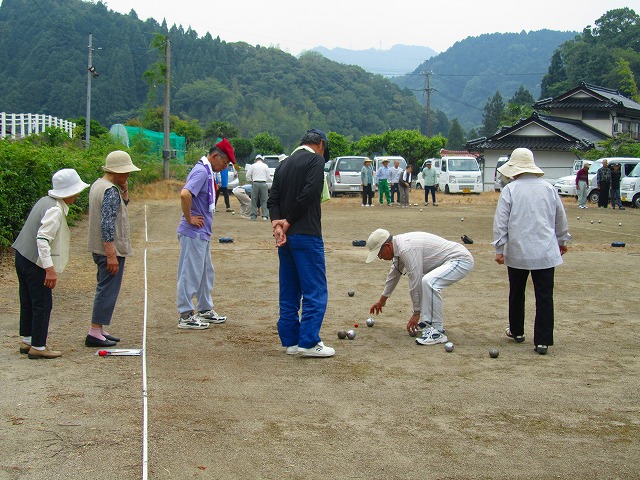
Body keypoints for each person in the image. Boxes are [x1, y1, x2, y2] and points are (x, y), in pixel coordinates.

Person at [493, 148, 571, 355]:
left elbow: (501, 222)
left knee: (516, 292)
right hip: (544, 250)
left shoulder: (510, 190)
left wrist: (499, 249)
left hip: (518, 251)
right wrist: (562, 240)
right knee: (544, 296)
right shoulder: (548, 188)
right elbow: (560, 218)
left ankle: (517, 331)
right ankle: (543, 340)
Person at [267, 129, 335, 357]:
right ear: (321, 144)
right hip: (306, 233)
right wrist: (288, 221)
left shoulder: (283, 164)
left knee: (289, 290)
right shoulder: (315, 160)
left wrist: (277, 223)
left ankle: (291, 341)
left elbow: (272, 197)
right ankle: (309, 342)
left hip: (284, 238)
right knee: (314, 289)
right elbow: (309, 193)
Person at [13, 169, 89, 358]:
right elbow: (42, 239)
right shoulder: (55, 209)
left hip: (21, 256)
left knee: (28, 301)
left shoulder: (44, 201)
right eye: (76, 191)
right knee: (43, 304)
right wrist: (49, 269)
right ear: (68, 192)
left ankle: (27, 340)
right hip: (35, 262)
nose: (78, 195)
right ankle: (38, 347)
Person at [366, 228, 474, 345]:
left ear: (387, 246)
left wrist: (416, 313)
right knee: (427, 281)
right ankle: (429, 323)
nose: (380, 257)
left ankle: (437, 331)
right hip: (452, 260)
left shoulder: (407, 248)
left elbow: (415, 281)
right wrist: (382, 301)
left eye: (379, 253)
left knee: (429, 282)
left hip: (460, 259)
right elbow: (394, 274)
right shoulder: (399, 247)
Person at [176, 140, 235, 330]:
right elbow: (185, 194)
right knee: (190, 272)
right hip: (194, 231)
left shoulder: (208, 171)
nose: (224, 168)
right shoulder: (202, 171)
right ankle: (185, 314)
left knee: (205, 272)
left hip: (202, 232)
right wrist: (190, 217)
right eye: (224, 163)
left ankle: (204, 308)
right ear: (215, 156)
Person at [86, 151, 140, 347]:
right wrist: (111, 254)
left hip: (99, 248)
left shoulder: (98, 186)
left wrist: (124, 189)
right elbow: (107, 224)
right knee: (107, 289)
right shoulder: (109, 190)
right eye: (125, 173)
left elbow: (118, 208)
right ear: (115, 171)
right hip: (109, 249)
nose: (128, 176)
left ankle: (99, 328)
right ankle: (94, 331)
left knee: (105, 287)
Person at [246, 154, 270, 221]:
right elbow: (268, 177)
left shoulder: (253, 166)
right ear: (262, 160)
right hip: (263, 183)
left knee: (254, 200)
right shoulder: (265, 166)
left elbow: (247, 175)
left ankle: (253, 216)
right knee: (264, 200)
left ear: (256, 160)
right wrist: (264, 180)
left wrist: (251, 180)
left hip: (255, 183)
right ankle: (265, 216)